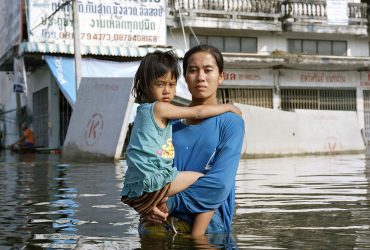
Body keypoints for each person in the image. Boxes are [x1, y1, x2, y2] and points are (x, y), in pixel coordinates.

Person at [121, 50, 242, 237]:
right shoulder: (169, 124)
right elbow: (147, 171)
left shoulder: (230, 122)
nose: (201, 77)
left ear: (221, 77)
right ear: (185, 77)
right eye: (193, 70)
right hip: (157, 223)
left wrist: (164, 203)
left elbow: (220, 185)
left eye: (208, 70)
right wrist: (147, 209)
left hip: (210, 229)